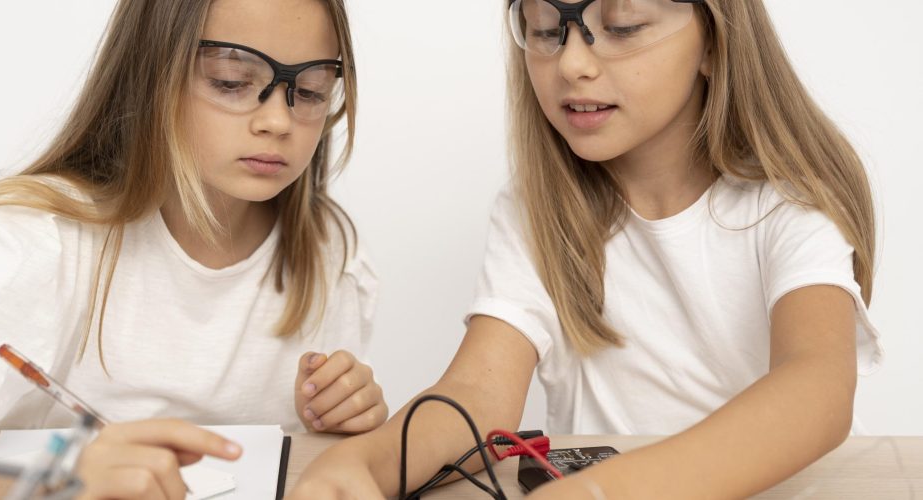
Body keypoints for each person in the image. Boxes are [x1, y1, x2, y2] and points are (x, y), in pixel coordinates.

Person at [289, 0, 880, 498]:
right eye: (548, 31)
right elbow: (478, 392)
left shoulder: (788, 204)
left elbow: (817, 388)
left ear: (714, 42)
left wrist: (605, 491)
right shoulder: (536, 210)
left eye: (622, 27)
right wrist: (362, 466)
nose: (571, 64)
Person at [0, 0, 385, 498]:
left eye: (311, 90)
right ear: (149, 74)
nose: (279, 121)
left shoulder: (326, 250)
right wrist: (50, 485)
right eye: (231, 82)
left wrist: (343, 421)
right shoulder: (37, 238)